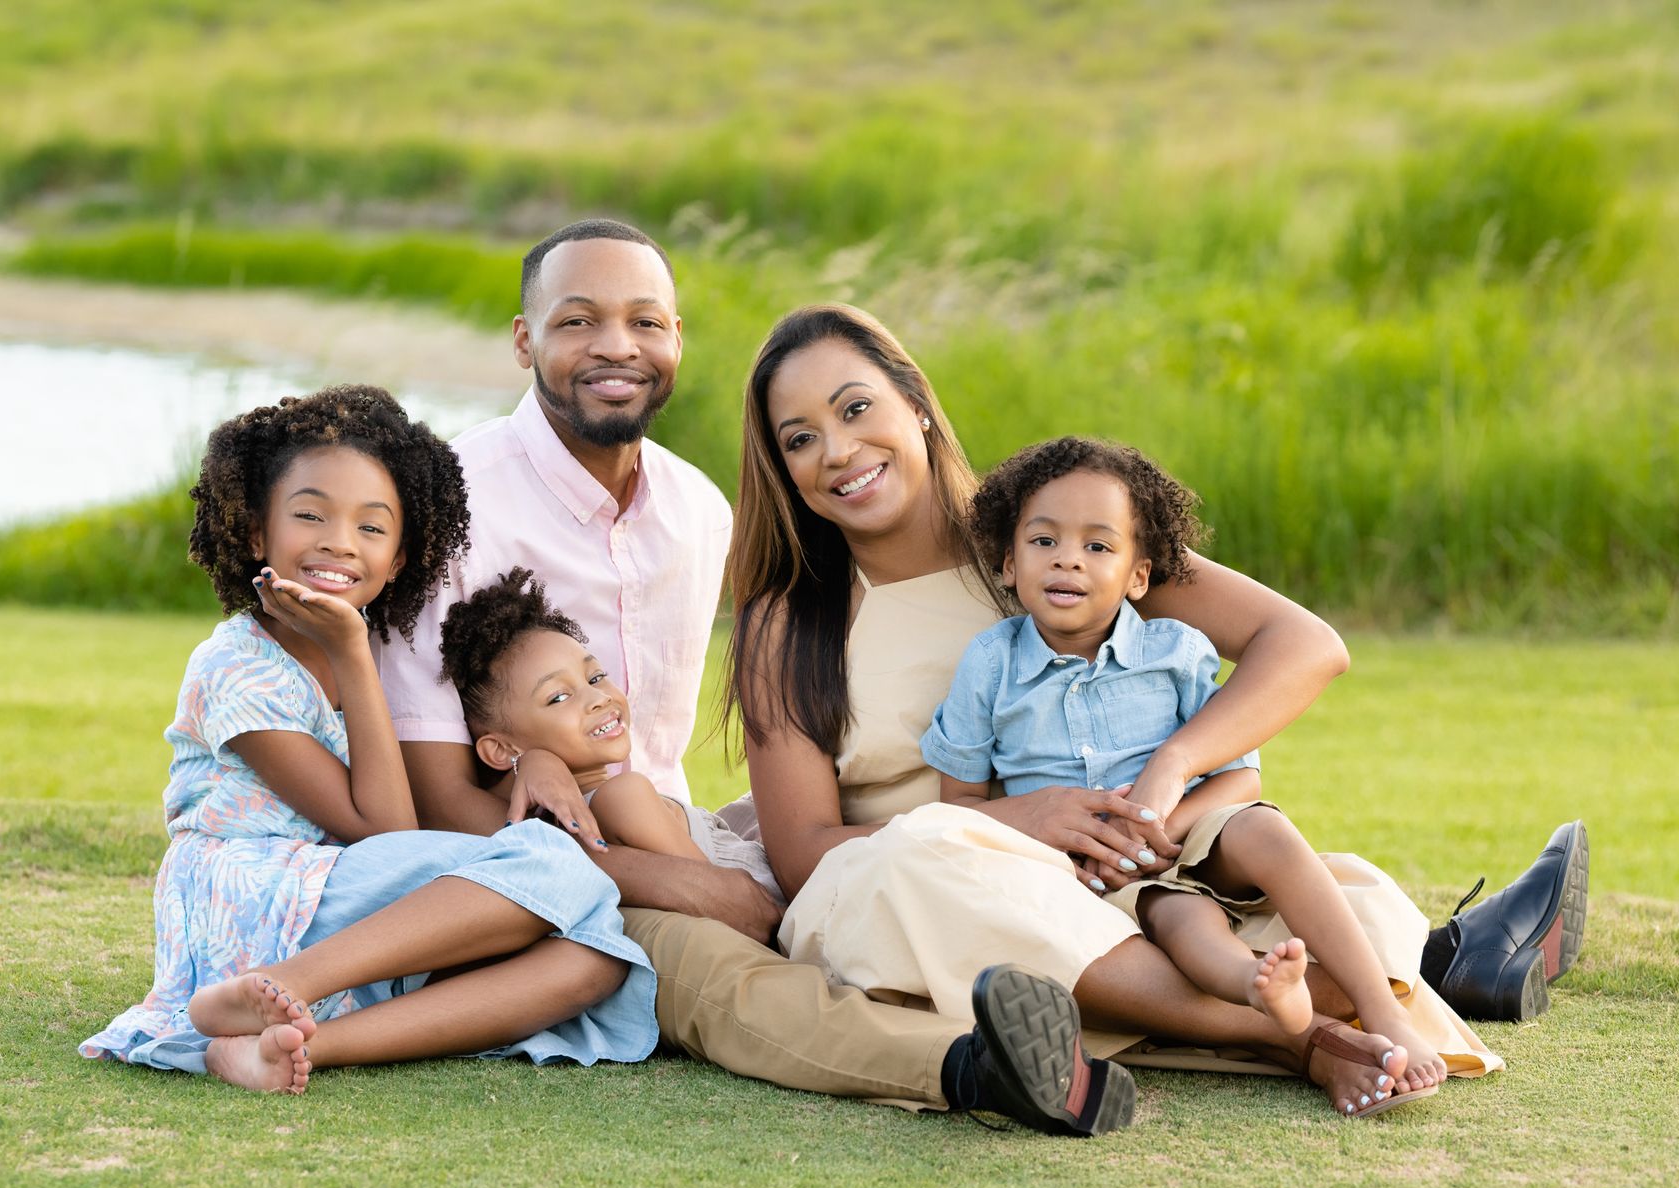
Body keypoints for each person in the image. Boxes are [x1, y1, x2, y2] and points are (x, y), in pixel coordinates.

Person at [377, 219, 1134, 1136]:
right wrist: (680, 883)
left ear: (676, 340)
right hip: (528, 865)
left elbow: (653, 765)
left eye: (645, 321)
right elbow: (435, 797)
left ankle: (1151, 1003)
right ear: (524, 338)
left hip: (668, 830)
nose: (617, 346)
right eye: (578, 321)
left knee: (841, 876)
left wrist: (715, 859)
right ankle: (976, 1067)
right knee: (722, 971)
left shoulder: (696, 512)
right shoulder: (448, 503)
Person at [730, 304, 1534, 1116]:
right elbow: (803, 856)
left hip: (1121, 871)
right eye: (798, 438)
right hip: (916, 894)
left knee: (1339, 905)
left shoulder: (1051, 536)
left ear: (917, 405)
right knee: (921, 857)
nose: (836, 451)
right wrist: (1021, 820)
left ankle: (1316, 996)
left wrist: (1173, 771)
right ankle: (1295, 1038)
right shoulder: (792, 616)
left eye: (856, 408)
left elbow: (1304, 645)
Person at [80, 385, 657, 1093]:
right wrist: (353, 651)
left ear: (401, 557)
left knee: (595, 959)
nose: (338, 542)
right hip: (253, 896)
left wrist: (533, 754)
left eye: (372, 528)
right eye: (310, 515)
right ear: (258, 533)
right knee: (556, 864)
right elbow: (383, 830)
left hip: (344, 912)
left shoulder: (378, 654)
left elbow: (397, 836)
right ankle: (271, 986)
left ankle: (292, 1044)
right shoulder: (235, 665)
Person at [922, 434, 1448, 1114]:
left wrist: (1162, 822)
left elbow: (1239, 780)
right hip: (1101, 875)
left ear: (1139, 576)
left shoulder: (1174, 651)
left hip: (1187, 831)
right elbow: (958, 806)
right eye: (1044, 541)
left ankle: (1384, 1010)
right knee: (1185, 925)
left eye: (1098, 547)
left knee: (1265, 831)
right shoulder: (990, 664)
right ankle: (1265, 990)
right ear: (1007, 562)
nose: (1068, 561)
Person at [438, 565, 784, 905]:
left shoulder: (560, 830)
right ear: (499, 749)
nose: (599, 698)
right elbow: (733, 906)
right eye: (558, 697)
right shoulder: (623, 795)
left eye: (595, 677)